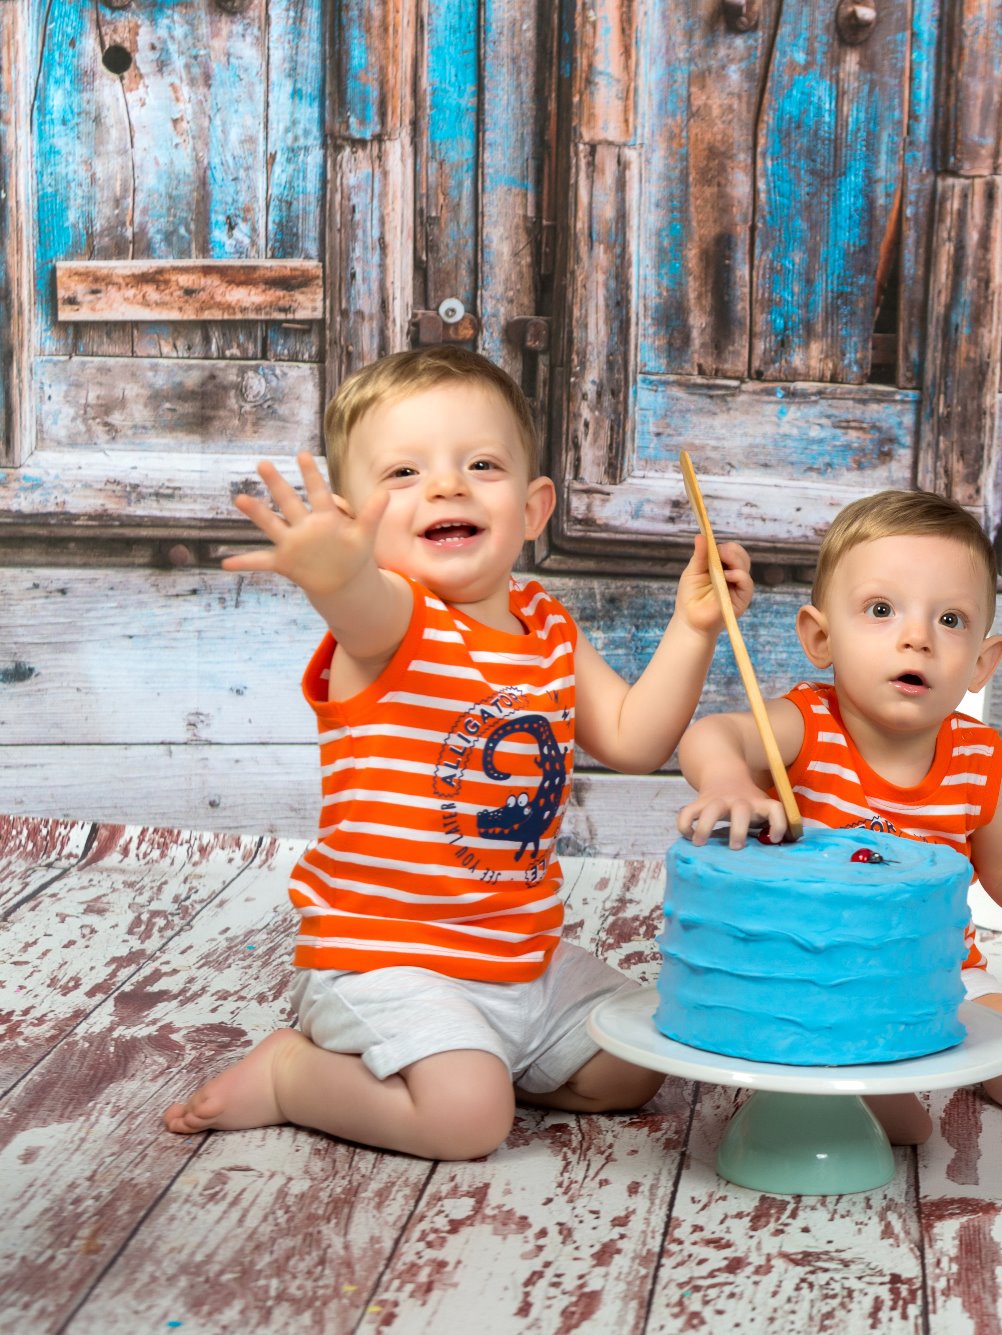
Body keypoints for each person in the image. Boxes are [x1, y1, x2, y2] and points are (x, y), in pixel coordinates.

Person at [164, 346, 753, 1160]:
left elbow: (633, 738)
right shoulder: (393, 624)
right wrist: (332, 574)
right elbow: (359, 603)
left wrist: (694, 628)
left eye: (480, 463)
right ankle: (291, 1074)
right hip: (383, 958)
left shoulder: (546, 626)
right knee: (469, 1122)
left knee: (637, 1060)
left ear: (535, 505)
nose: (446, 486)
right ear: (352, 515)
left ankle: (478, 1055)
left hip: (517, 956)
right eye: (403, 473)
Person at [676, 490, 1002, 1144]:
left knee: (1000, 1018)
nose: (916, 636)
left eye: (949, 619)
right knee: (841, 1051)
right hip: (813, 966)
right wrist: (727, 777)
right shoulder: (805, 726)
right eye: (881, 610)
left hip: (932, 966)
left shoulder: (976, 759)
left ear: (980, 662)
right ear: (821, 637)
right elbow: (710, 734)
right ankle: (845, 1095)